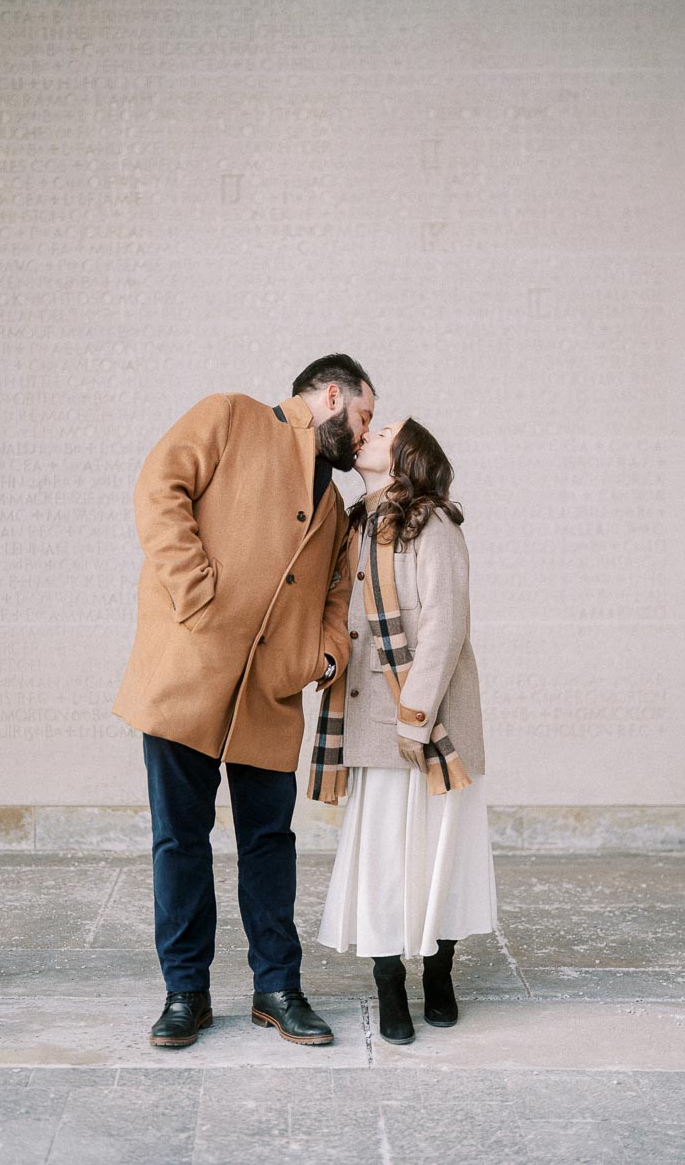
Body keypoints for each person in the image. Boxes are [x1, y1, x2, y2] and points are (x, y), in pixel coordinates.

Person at [112, 355, 375, 1048]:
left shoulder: (336, 508)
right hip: (187, 674)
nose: (366, 432)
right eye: (365, 415)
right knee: (179, 840)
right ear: (330, 396)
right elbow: (157, 487)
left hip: (270, 692)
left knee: (269, 842)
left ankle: (278, 989)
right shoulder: (229, 416)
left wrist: (322, 653)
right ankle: (184, 994)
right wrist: (195, 592)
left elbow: (338, 594)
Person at [310, 419, 497, 1045]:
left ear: (407, 454)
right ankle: (389, 983)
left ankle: (438, 973)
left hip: (430, 722)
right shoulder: (353, 523)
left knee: (439, 855)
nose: (366, 435)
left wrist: (415, 717)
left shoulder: (432, 524)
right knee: (382, 862)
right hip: (367, 719)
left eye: (383, 430)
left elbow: (445, 626)